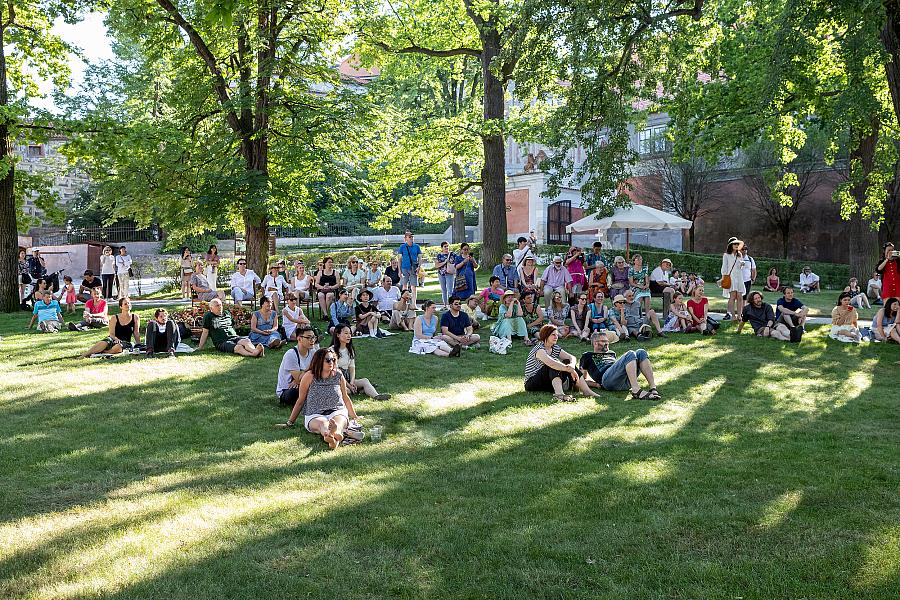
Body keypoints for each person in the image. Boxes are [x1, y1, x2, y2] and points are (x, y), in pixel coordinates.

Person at [282, 347, 361, 450]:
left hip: (337, 410)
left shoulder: (338, 374)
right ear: (319, 361)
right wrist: (290, 422)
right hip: (314, 413)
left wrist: (354, 416)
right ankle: (332, 434)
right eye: (327, 360)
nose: (331, 362)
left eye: (333, 359)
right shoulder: (309, 376)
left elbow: (345, 397)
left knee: (339, 422)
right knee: (322, 424)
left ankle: (333, 437)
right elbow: (300, 400)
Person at [523, 324, 600, 402]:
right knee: (554, 365)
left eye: (556, 335)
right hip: (532, 383)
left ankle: (586, 391)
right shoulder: (539, 349)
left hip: (546, 381)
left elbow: (571, 357)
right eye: (553, 335)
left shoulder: (554, 347)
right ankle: (559, 394)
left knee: (567, 361)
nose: (556, 337)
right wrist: (569, 370)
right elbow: (551, 363)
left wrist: (571, 366)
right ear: (545, 335)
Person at [580, 331, 661, 400]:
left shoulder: (612, 353)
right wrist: (595, 385)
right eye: (604, 341)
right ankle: (636, 390)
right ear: (595, 343)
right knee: (630, 354)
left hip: (623, 381)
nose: (607, 343)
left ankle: (653, 387)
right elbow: (581, 379)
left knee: (641, 352)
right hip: (607, 381)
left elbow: (618, 368)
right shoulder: (587, 356)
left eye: (607, 341)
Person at [331, 324, 391, 399]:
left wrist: (352, 382)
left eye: (350, 333)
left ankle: (376, 396)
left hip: (347, 377)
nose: (349, 336)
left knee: (365, 381)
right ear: (338, 335)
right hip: (336, 379)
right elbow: (337, 372)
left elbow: (352, 367)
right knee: (346, 390)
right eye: (346, 333)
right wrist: (349, 386)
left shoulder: (350, 350)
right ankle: (359, 390)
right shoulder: (331, 351)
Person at [198, 298, 265, 356]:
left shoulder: (227, 313)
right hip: (222, 342)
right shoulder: (208, 316)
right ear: (211, 308)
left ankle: (255, 351)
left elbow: (233, 325)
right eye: (217, 306)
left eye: (221, 305)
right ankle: (253, 354)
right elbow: (205, 332)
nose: (220, 307)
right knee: (238, 347)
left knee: (246, 341)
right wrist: (200, 347)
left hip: (234, 337)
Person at [275, 326, 318, 405]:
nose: (312, 340)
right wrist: (309, 369)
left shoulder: (312, 352)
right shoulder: (291, 354)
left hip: (301, 384)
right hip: (288, 391)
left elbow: (318, 371)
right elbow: (299, 379)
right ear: (299, 339)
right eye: (308, 338)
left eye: (313, 337)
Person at [720, 237, 745, 320]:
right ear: (731, 245)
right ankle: (733, 316)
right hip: (731, 277)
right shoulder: (726, 255)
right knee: (733, 296)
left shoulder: (739, 255)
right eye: (735, 244)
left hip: (739, 277)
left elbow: (740, 268)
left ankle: (739, 315)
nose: (736, 245)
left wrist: (742, 264)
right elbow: (724, 268)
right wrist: (723, 278)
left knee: (740, 297)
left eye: (737, 244)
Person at [397, 231, 422, 306]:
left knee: (413, 286)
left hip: (413, 268)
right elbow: (399, 259)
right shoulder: (402, 247)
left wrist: (419, 267)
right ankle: (404, 303)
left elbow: (420, 258)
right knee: (404, 285)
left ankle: (413, 304)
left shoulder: (416, 246)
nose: (411, 238)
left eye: (412, 237)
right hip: (404, 268)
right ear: (405, 238)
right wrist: (399, 270)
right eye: (409, 237)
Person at [435, 241, 456, 308]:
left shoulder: (452, 254)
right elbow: (436, 265)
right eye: (445, 246)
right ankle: (445, 305)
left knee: (450, 290)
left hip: (449, 273)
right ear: (442, 248)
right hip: (441, 274)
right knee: (443, 290)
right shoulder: (439, 255)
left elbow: (456, 262)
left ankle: (451, 304)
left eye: (447, 246)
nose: (447, 248)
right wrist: (444, 262)